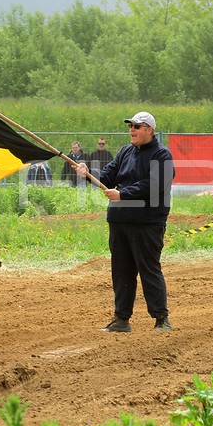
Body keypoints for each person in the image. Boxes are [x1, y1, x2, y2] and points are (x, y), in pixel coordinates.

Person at [74, 111, 175, 333]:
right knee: (121, 271)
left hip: (147, 221)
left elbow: (154, 184)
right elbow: (108, 175)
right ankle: (121, 319)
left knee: (149, 269)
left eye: (137, 126)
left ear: (149, 130)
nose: (132, 130)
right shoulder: (125, 152)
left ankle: (161, 318)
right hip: (120, 220)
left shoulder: (162, 155)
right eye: (130, 126)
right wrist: (88, 172)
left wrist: (123, 194)